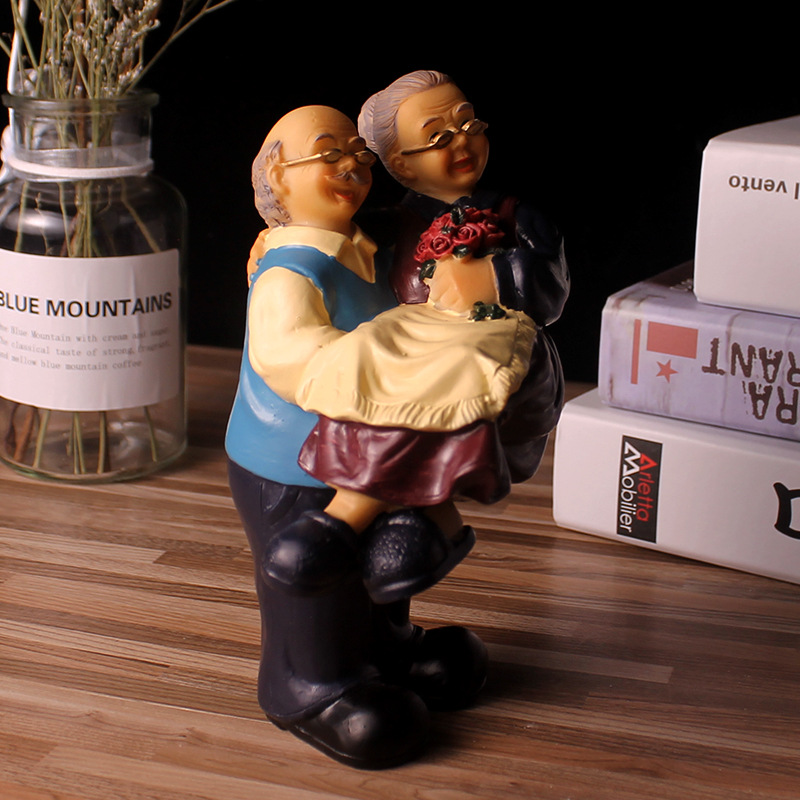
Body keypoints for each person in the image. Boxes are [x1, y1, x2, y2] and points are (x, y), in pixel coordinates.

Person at [226, 105, 486, 770]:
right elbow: (294, 361)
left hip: (368, 450)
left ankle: (386, 651)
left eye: (358, 153)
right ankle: (309, 686)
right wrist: (406, 363)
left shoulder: (367, 245)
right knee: (317, 578)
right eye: (327, 153)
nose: (351, 165)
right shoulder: (290, 272)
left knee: (379, 558)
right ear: (279, 179)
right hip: (294, 459)